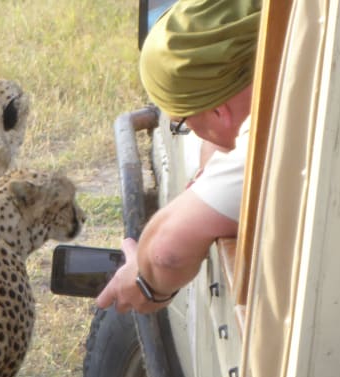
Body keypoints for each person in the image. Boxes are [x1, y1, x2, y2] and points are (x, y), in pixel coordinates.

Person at [96, 0, 262, 314]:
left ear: (219, 111)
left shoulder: (270, 137)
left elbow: (166, 254)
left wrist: (144, 283)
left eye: (183, 123)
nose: (196, 135)